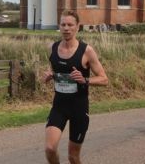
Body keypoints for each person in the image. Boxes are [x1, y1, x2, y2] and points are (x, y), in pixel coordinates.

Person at [43, 10, 108, 164]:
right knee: (50, 149)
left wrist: (85, 80)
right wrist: (50, 75)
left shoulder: (86, 51)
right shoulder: (53, 48)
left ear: (77, 27)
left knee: (73, 157)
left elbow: (104, 79)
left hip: (79, 108)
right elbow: (56, 69)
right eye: (63, 24)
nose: (66, 28)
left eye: (70, 25)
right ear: (59, 26)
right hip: (59, 106)